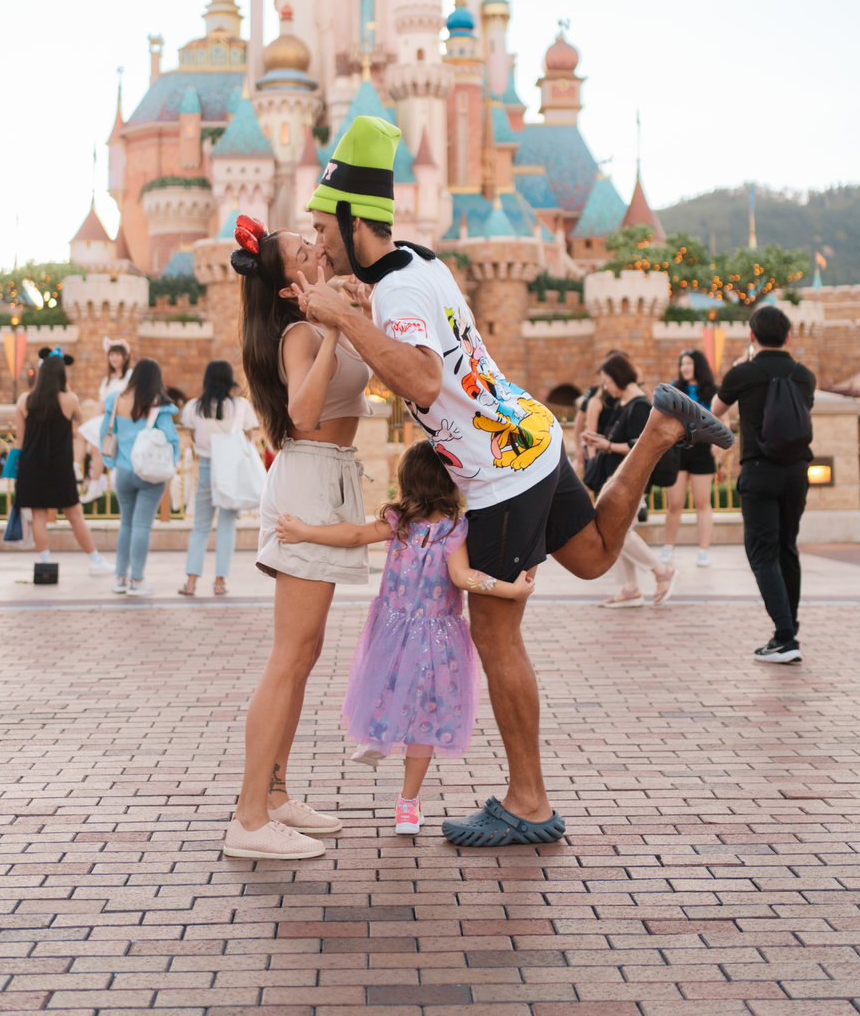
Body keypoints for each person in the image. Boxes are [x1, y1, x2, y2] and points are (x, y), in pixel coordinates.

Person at [299, 115, 734, 848]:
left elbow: (422, 378)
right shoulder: (419, 264)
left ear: (352, 219)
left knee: (496, 638)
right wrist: (358, 302)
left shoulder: (396, 294)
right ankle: (658, 430)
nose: (316, 243)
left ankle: (528, 801)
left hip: (497, 475)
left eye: (321, 228)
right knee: (593, 556)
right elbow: (418, 336)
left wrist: (344, 314)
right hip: (528, 436)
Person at [275, 440, 534, 835]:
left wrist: (304, 531)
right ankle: (404, 796)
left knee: (392, 689)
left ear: (408, 481)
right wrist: (511, 589)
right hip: (428, 634)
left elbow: (354, 535)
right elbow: (463, 577)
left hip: (405, 631)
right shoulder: (438, 527)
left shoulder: (417, 524)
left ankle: (382, 745)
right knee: (422, 716)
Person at [222, 214, 374, 863]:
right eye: (305, 251)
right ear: (290, 288)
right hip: (309, 478)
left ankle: (277, 795)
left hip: (328, 476)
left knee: (305, 652)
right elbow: (304, 413)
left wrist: (353, 314)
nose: (319, 249)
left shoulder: (320, 322)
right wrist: (335, 326)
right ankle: (249, 817)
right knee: (289, 656)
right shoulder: (298, 334)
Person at [712, 305, 815, 663]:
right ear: (788, 336)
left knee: (762, 553)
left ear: (752, 336)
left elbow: (714, 413)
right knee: (787, 548)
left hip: (759, 471)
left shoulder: (742, 373)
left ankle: (785, 638)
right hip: (797, 472)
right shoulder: (805, 376)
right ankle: (788, 630)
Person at [581, 353, 678, 607]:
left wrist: (607, 446)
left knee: (618, 532)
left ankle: (660, 571)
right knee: (617, 531)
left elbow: (639, 446)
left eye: (607, 381)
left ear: (618, 377)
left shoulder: (640, 406)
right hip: (622, 480)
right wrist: (601, 442)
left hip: (633, 480)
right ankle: (630, 587)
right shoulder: (625, 404)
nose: (606, 387)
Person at [15, 349, 113, 574]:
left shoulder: (24, 401)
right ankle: (95, 560)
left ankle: (45, 562)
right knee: (74, 515)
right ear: (62, 375)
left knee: (39, 515)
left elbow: (19, 440)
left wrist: (13, 470)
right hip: (59, 467)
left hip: (32, 466)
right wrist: (65, 386)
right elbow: (79, 417)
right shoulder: (69, 399)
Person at [179, 360, 260, 596]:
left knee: (200, 527)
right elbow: (249, 435)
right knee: (227, 526)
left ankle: (191, 582)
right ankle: (220, 582)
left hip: (206, 467)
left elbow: (193, 435)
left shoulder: (193, 407)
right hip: (230, 470)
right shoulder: (240, 406)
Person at [100, 357, 180, 597]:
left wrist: (111, 463)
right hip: (149, 474)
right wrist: (171, 463)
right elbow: (172, 439)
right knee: (141, 526)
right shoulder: (159, 405)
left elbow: (105, 433)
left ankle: (120, 578)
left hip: (123, 472)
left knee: (126, 524)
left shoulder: (116, 400)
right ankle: (137, 580)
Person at [660, 350, 719, 567]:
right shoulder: (674, 389)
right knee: (675, 503)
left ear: (699, 366)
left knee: (702, 502)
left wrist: (718, 443)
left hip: (703, 449)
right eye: (682, 364)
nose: (684, 368)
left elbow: (722, 418)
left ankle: (704, 550)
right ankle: (668, 547)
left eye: (689, 363)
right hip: (678, 449)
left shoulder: (712, 391)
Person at [78, 339, 132, 505]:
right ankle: (92, 484)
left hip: (120, 420)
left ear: (125, 357)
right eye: (111, 355)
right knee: (93, 445)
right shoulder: (107, 381)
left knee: (94, 443)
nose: (114, 358)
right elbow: (101, 404)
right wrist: (91, 424)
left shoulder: (130, 376)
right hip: (106, 420)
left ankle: (80, 473)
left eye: (117, 355)